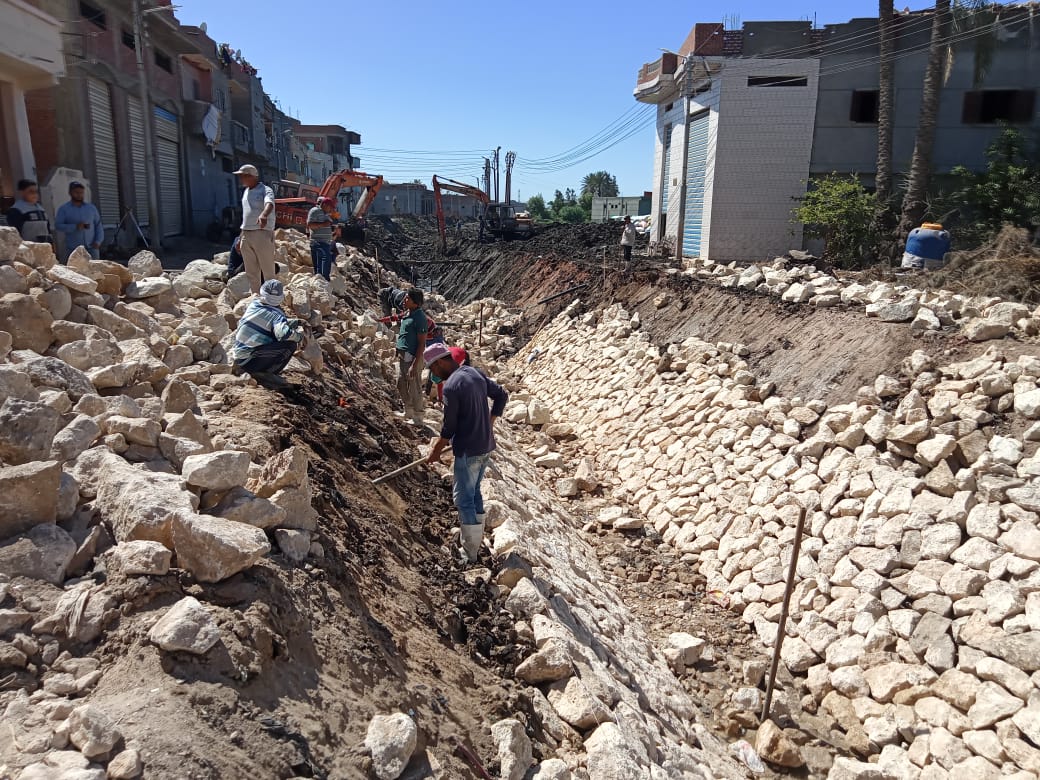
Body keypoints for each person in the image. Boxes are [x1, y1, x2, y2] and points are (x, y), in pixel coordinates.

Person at [424, 343, 508, 563]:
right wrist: (489, 424)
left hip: (468, 451)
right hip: (484, 445)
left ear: (440, 363)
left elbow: (449, 427)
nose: (433, 374)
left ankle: (469, 552)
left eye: (432, 369)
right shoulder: (474, 373)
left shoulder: (451, 387)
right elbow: (501, 395)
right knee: (474, 493)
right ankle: (475, 543)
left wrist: (436, 451)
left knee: (463, 499)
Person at [231, 279, 303, 390]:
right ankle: (267, 374)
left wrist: (296, 322)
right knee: (291, 344)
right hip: (249, 361)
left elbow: (268, 320)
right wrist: (299, 337)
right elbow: (283, 334)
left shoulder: (255, 304)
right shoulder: (277, 315)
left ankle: (258, 372)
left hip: (239, 357)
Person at [234, 164, 276, 294]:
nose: (241, 179)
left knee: (268, 270)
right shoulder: (246, 192)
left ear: (251, 176)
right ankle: (255, 297)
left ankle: (272, 299)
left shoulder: (265, 190)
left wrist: (264, 215)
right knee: (251, 271)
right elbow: (246, 218)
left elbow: (269, 203)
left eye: (243, 176)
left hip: (261, 233)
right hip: (247, 234)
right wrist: (240, 237)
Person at [395, 288, 428, 426]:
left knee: (414, 386)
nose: (404, 300)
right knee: (400, 383)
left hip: (412, 356)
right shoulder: (408, 314)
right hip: (403, 355)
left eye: (407, 298)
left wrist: (415, 364)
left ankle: (418, 416)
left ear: (416, 302)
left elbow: (421, 343)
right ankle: (407, 410)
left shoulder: (420, 318)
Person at [55, 181, 103, 260]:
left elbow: (98, 225)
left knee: (95, 267)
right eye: (76, 192)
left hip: (92, 248)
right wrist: (75, 226)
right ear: (70, 193)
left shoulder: (91, 208)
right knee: (75, 268)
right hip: (74, 249)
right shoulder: (64, 209)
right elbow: (58, 226)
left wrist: (98, 241)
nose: (79, 195)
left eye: (81, 192)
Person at [5, 179, 52, 244]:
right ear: (22, 192)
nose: (35, 194)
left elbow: (47, 228)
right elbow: (14, 232)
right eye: (31, 191)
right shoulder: (17, 210)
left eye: (36, 191)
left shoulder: (41, 209)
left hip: (44, 246)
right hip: (28, 247)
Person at [307, 196, 339, 280]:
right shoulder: (315, 211)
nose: (331, 209)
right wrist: (323, 224)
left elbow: (330, 222)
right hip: (318, 242)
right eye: (330, 207)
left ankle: (321, 280)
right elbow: (310, 225)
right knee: (325, 258)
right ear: (324, 205)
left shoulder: (326, 214)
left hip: (325, 242)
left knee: (322, 262)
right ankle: (323, 279)